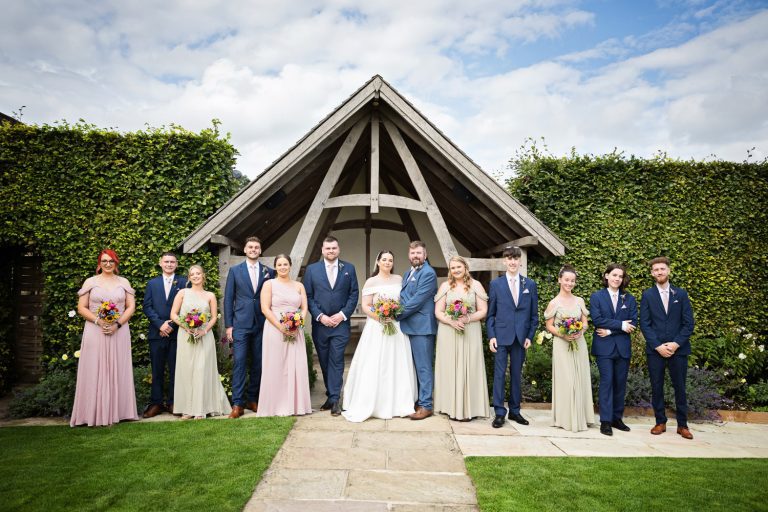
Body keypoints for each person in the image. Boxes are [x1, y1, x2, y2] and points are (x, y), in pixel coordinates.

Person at [342, 250, 417, 422]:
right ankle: (374, 402)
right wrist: (381, 317)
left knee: (397, 362)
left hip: (396, 326)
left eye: (390, 260)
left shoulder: (399, 279)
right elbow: (367, 306)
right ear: (378, 261)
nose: (387, 262)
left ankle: (399, 402)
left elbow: (403, 301)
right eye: (384, 259)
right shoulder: (371, 281)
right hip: (377, 327)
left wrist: (394, 314)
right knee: (375, 362)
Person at [70, 249, 138, 427]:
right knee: (94, 367)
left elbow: (131, 307)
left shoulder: (124, 282)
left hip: (119, 330)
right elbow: (81, 307)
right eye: (105, 261)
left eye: (112, 261)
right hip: (95, 330)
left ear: (116, 263)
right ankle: (92, 413)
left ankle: (119, 412)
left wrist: (117, 325)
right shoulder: (90, 282)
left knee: (118, 367)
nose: (108, 264)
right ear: (99, 263)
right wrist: (98, 321)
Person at [640, 256, 695, 439]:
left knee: (680, 387)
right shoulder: (647, 295)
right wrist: (657, 346)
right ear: (652, 273)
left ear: (668, 270)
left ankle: (683, 425)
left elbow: (688, 324)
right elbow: (645, 324)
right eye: (656, 270)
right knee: (657, 386)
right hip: (655, 351)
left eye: (662, 269)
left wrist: (675, 344)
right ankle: (660, 422)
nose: (659, 272)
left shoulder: (681, 294)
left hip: (678, 349)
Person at [304, 236, 359, 416]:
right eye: (328, 248)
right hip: (320, 325)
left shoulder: (349, 269)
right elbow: (309, 296)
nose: (331, 251)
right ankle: (331, 394)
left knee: (336, 360)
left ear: (339, 249)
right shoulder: (312, 270)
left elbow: (353, 294)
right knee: (325, 361)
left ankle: (335, 399)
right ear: (322, 250)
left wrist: (342, 315)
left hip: (340, 325)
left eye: (334, 248)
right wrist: (320, 316)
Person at [223, 236, 275, 418]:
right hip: (241, 324)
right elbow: (229, 298)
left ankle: (253, 398)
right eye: (250, 247)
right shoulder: (235, 271)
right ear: (245, 250)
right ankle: (237, 403)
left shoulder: (269, 272)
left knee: (259, 363)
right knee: (239, 362)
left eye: (256, 247)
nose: (253, 249)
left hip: (262, 324)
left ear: (260, 251)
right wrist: (229, 325)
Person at [170, 265, 231, 419]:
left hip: (205, 336)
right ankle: (188, 409)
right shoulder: (183, 293)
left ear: (203, 276)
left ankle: (202, 408)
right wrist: (186, 327)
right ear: (189, 277)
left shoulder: (210, 295)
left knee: (202, 369)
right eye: (192, 274)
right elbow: (173, 314)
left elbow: (213, 317)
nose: (195, 276)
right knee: (187, 370)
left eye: (198, 273)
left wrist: (203, 330)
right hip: (186, 336)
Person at [487, 246, 538, 428]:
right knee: (499, 375)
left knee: (517, 375)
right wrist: (491, 336)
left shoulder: (529, 285)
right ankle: (499, 412)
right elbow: (491, 314)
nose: (513, 262)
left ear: (520, 261)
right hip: (501, 336)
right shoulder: (496, 284)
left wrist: (530, 336)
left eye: (516, 258)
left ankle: (515, 411)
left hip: (520, 337)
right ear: (504, 261)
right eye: (509, 258)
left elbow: (534, 315)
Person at [433, 255, 489, 421]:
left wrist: (467, 319)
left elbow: (483, 310)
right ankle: (449, 406)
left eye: (459, 267)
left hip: (470, 329)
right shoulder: (445, 286)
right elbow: (438, 311)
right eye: (453, 268)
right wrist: (451, 321)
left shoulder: (475, 285)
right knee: (449, 366)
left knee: (469, 366)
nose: (456, 270)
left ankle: (468, 409)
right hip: (448, 331)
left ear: (465, 267)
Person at [256, 255, 312, 416]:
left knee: (296, 365)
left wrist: (297, 324)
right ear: (275, 267)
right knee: (276, 365)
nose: (282, 267)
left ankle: (296, 405)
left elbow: (304, 308)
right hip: (274, 329)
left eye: (285, 264)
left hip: (295, 330)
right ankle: (275, 405)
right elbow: (265, 309)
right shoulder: (269, 284)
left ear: (290, 266)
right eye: (279, 264)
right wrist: (281, 326)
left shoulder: (299, 285)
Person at [544, 265, 594, 432]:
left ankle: (582, 417)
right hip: (561, 343)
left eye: (572, 280)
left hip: (579, 343)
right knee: (566, 380)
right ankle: (565, 419)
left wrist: (580, 330)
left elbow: (585, 322)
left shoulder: (580, 300)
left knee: (580, 378)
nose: (569, 283)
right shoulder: (554, 302)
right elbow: (549, 325)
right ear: (560, 280)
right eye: (566, 280)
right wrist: (563, 335)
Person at [589, 263, 637, 436]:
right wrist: (621, 325)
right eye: (614, 275)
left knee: (620, 384)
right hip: (604, 348)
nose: (617, 278)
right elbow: (597, 319)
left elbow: (633, 323)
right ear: (607, 276)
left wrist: (611, 330)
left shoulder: (629, 298)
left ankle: (617, 418)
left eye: (620, 276)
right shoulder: (597, 297)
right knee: (607, 382)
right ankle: (605, 421)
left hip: (622, 347)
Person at [142, 252, 187, 418]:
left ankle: (174, 402)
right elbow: (147, 306)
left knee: (176, 369)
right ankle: (156, 403)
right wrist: (160, 324)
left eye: (172, 262)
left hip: (177, 333)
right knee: (157, 369)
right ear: (160, 263)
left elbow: (186, 306)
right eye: (166, 261)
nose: (169, 264)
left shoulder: (183, 282)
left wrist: (172, 324)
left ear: (176, 264)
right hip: (157, 333)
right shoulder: (152, 283)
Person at [397, 241, 438, 420]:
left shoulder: (428, 273)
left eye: (419, 253)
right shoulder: (407, 273)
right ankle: (417, 400)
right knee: (412, 367)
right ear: (409, 254)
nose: (415, 256)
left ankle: (426, 405)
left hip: (422, 327)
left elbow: (417, 300)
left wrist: (397, 313)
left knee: (423, 367)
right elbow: (404, 296)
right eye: (413, 253)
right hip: (409, 325)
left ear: (425, 254)